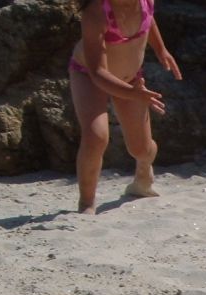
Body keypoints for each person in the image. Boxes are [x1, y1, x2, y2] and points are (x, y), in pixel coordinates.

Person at [68, 0, 182, 213]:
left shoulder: (145, 2)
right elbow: (98, 72)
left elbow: (149, 20)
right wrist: (132, 94)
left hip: (130, 80)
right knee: (96, 136)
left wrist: (161, 49)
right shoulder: (96, 13)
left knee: (141, 148)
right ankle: (86, 203)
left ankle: (143, 173)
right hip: (89, 77)